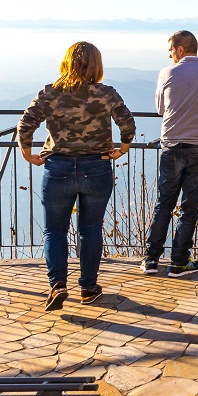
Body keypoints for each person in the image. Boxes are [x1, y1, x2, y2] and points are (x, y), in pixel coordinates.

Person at [17, 42, 136, 310]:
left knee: (55, 230)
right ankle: (88, 287)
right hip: (97, 166)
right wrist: (123, 149)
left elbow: (26, 123)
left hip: (57, 167)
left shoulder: (50, 93)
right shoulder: (105, 93)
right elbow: (127, 121)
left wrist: (27, 154)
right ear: (96, 65)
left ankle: (57, 285)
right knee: (90, 229)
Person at [142, 30, 198, 276]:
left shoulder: (166, 73)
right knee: (189, 207)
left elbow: (161, 109)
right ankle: (179, 261)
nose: (169, 54)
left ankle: (151, 259)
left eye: (171, 49)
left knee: (164, 203)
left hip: (171, 145)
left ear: (180, 49)